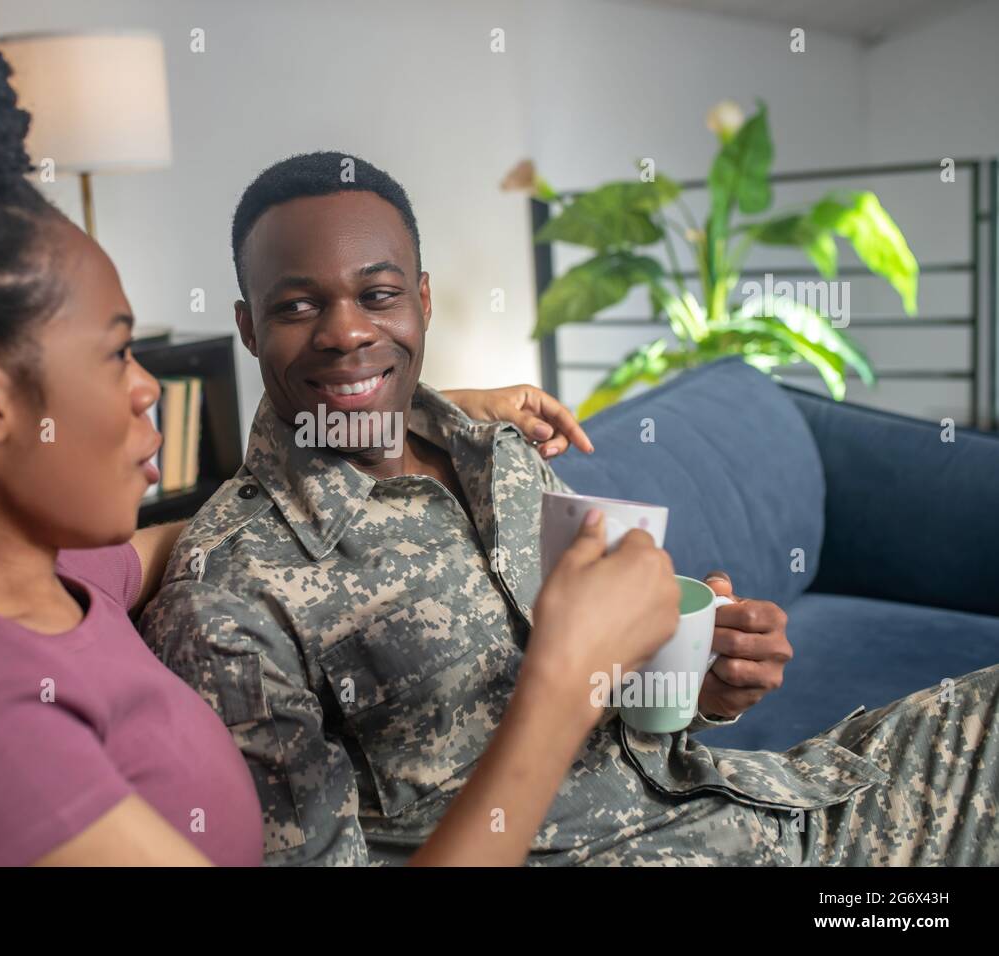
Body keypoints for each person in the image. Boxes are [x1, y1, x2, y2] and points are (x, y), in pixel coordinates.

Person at [0, 3, 684, 866]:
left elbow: (193, 530)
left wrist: (421, 406)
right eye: (118, 354)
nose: (147, 395)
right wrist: (563, 677)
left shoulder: (40, 580)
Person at [139, 150, 999, 866]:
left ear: (423, 301)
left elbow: (617, 700)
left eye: (378, 294)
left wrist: (697, 683)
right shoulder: (230, 600)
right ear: (250, 329)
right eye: (298, 306)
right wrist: (563, 679)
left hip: (773, 808)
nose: (345, 331)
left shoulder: (500, 453)